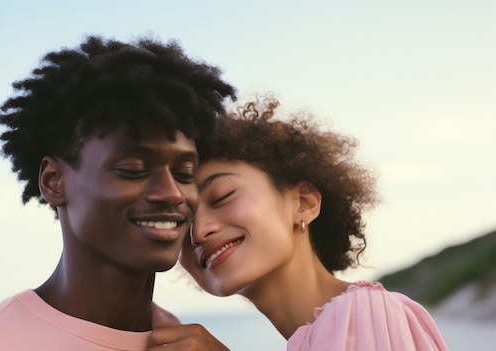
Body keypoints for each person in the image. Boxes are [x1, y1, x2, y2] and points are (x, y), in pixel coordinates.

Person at [0, 34, 236, 351]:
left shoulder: (193, 342)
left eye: (184, 173)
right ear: (54, 181)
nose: (171, 194)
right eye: (133, 169)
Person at [160, 97, 449, 350]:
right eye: (182, 221)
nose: (198, 232)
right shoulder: (332, 328)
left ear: (303, 203)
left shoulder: (362, 314)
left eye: (222, 197)